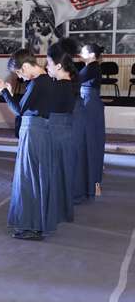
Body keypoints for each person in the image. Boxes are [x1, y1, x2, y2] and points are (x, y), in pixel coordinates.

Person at [0, 50, 54, 240]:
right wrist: (9, 93)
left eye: (19, 72)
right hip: (39, 131)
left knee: (28, 180)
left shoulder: (37, 82)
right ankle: (35, 223)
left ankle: (31, 226)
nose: (20, 76)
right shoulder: (46, 80)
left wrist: (3, 91)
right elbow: (27, 107)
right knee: (35, 179)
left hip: (34, 133)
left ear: (26, 66)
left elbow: (19, 110)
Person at [46, 39, 78, 225]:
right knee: (63, 174)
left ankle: (53, 211)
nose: (46, 66)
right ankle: (63, 210)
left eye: (49, 63)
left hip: (55, 134)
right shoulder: (69, 83)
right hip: (65, 133)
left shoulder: (57, 87)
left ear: (58, 65)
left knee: (53, 174)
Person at [78, 43, 105, 196]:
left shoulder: (91, 68)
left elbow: (74, 81)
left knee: (91, 142)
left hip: (90, 105)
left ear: (92, 55)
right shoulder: (91, 67)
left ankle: (94, 182)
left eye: (83, 51)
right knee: (90, 141)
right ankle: (92, 180)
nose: (80, 53)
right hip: (89, 103)